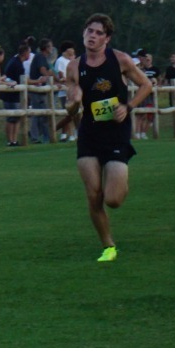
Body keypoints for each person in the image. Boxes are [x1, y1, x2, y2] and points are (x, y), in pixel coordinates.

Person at [65, 13, 151, 263]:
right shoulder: (74, 67)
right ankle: (108, 246)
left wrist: (129, 106)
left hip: (116, 132)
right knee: (93, 195)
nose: (92, 36)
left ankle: (120, 180)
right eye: (89, 31)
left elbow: (146, 85)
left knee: (112, 199)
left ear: (107, 38)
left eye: (98, 32)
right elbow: (70, 110)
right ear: (83, 33)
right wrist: (75, 102)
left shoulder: (120, 60)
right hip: (89, 134)